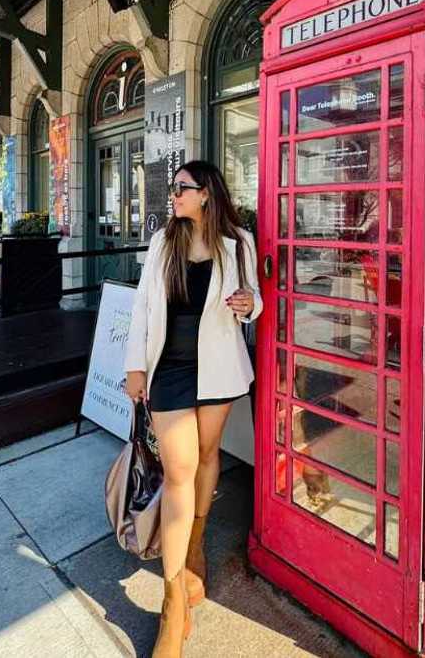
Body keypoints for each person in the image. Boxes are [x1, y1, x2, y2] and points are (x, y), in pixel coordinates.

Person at [123, 160, 261, 656]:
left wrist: (250, 305)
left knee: (206, 458)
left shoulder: (238, 242)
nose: (173, 195)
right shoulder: (165, 242)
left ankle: (196, 540)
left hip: (219, 369)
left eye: (181, 188)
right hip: (171, 371)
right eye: (173, 189)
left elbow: (257, 299)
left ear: (206, 194)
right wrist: (134, 366)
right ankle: (172, 601)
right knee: (179, 470)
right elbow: (141, 307)